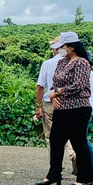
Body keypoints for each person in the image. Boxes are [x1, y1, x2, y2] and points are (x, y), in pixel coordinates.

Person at [35, 32, 93, 185]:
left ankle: (85, 178)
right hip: (61, 108)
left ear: (71, 47)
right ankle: (53, 175)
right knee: (55, 141)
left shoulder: (82, 63)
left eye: (63, 46)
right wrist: (53, 95)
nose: (59, 49)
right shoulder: (62, 62)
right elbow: (54, 82)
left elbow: (78, 85)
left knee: (79, 143)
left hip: (78, 109)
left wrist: (58, 92)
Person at [36, 35, 74, 169]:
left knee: (51, 137)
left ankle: (56, 165)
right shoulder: (73, 62)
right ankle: (73, 153)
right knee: (69, 133)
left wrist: (38, 106)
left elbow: (40, 86)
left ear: (57, 48)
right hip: (68, 103)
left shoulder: (48, 63)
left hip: (50, 104)